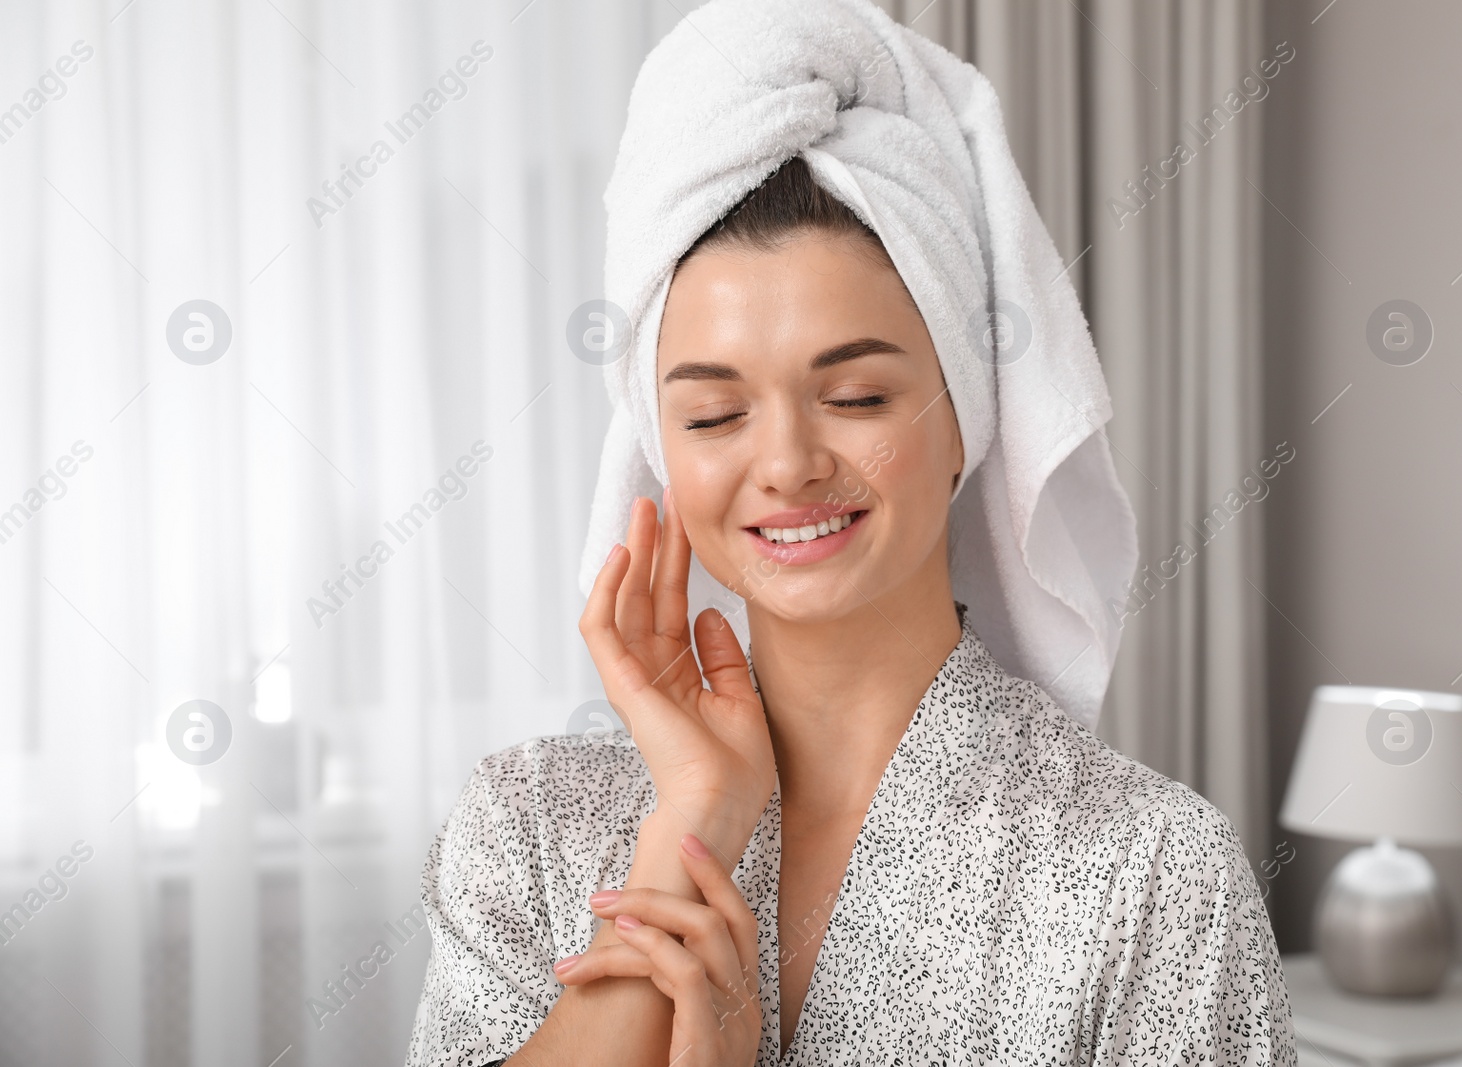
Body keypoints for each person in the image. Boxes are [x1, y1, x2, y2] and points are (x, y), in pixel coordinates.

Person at [405, 3, 1294, 1065]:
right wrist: (690, 820)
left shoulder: (1148, 871)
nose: (784, 463)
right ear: (661, 451)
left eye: (858, 396)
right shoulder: (526, 827)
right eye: (714, 414)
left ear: (966, 416)